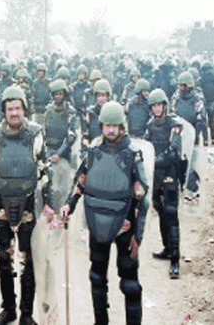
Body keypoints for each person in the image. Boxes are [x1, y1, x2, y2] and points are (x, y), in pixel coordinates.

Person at [60, 101, 149, 325]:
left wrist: (138, 235)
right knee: (97, 277)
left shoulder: (132, 155)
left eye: (115, 125)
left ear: (122, 127)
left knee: (130, 283)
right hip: (97, 225)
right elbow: (80, 183)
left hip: (124, 226)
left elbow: (142, 198)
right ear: (101, 126)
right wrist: (68, 205)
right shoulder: (93, 153)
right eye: (107, 125)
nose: (110, 130)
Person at [0, 85, 54, 325]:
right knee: (3, 257)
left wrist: (48, 203)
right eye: (10, 109)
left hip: (28, 202)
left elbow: (44, 169)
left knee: (28, 259)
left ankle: (26, 313)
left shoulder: (35, 134)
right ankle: (8, 309)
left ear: (24, 109)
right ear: (4, 111)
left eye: (18, 108)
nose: (14, 113)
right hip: (1, 203)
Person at [143, 88, 185, 279]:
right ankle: (167, 249)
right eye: (154, 105)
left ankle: (175, 260)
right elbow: (145, 148)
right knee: (159, 209)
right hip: (155, 176)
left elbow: (174, 152)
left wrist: (153, 161)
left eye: (159, 105)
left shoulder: (174, 124)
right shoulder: (150, 126)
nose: (157, 108)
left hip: (169, 173)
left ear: (165, 106)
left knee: (171, 213)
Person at [44, 79, 78, 166]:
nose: (58, 96)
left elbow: (71, 137)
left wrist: (59, 153)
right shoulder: (48, 110)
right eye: (56, 94)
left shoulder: (70, 111)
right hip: (49, 151)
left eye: (60, 94)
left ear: (64, 95)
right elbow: (44, 131)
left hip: (63, 153)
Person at [81, 78, 112, 150]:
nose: (101, 99)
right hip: (93, 151)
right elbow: (85, 136)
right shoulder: (90, 113)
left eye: (103, 95)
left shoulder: (113, 113)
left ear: (107, 96)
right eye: (99, 96)